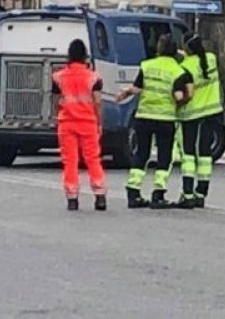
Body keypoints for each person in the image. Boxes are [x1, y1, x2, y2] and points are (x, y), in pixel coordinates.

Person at [115, 35, 191, 209]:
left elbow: (136, 88)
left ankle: (133, 192)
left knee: (142, 153)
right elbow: (179, 97)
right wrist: (186, 99)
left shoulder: (147, 66)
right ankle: (158, 193)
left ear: (158, 49)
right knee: (164, 156)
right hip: (165, 119)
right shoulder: (178, 71)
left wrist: (124, 94)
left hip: (144, 117)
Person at [51, 40, 107, 211]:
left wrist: (57, 116)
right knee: (92, 159)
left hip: (67, 123)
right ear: (85, 56)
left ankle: (72, 198)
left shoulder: (58, 77)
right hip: (88, 123)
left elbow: (55, 101)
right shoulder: (93, 77)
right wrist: (100, 122)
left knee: (70, 161)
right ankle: (99, 196)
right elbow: (97, 102)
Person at [176, 34, 223, 209]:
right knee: (205, 155)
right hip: (212, 112)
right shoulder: (211, 59)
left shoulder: (185, 66)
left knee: (188, 154)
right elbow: (200, 60)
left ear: (187, 48)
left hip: (192, 115)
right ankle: (201, 193)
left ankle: (187, 193)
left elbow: (184, 92)